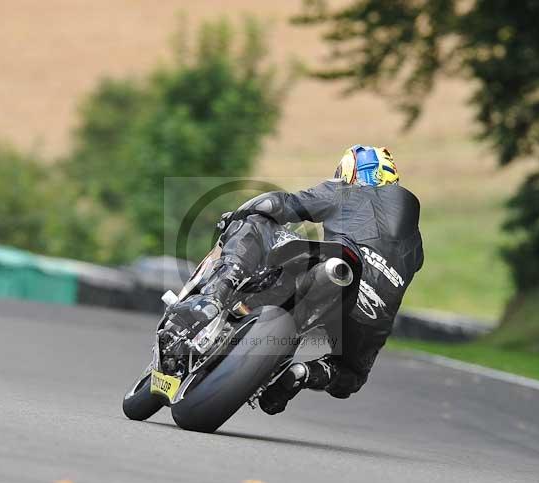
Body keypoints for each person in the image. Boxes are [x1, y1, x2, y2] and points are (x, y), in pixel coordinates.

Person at [170, 145, 424, 414]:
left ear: (351, 173)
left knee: (258, 222)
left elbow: (281, 205)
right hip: (372, 315)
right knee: (350, 375)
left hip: (335, 264)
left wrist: (240, 214)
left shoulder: (347, 192)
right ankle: (303, 373)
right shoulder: (416, 246)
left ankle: (216, 296)